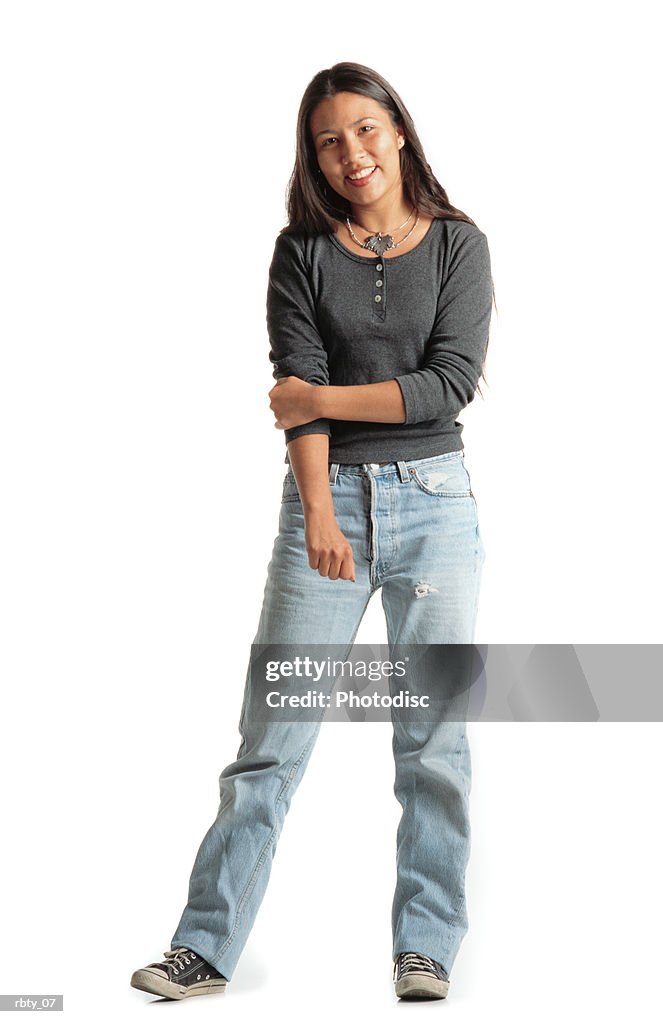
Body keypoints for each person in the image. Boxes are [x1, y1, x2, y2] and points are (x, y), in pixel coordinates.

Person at [130, 60, 494, 1003]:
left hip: (435, 506)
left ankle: (425, 947)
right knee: (270, 741)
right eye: (329, 140)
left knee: (433, 742)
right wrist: (322, 512)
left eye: (365, 131)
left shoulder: (459, 246)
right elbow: (291, 390)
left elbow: (445, 385)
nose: (351, 154)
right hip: (322, 505)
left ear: (399, 132)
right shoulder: (301, 251)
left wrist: (320, 396)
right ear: (314, 155)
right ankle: (203, 949)